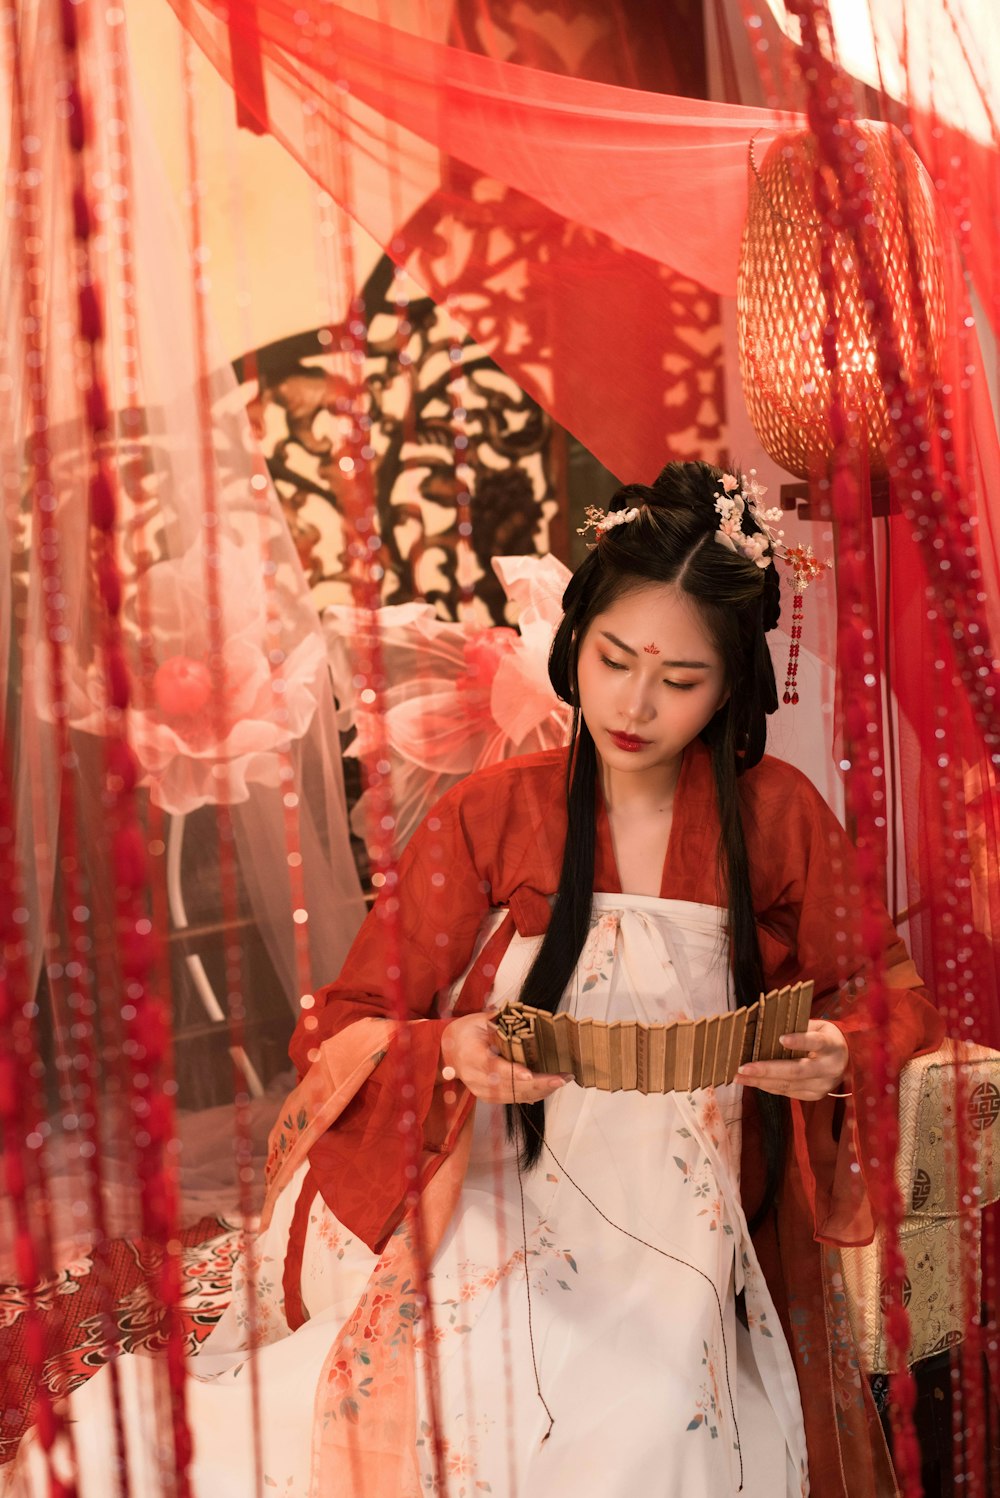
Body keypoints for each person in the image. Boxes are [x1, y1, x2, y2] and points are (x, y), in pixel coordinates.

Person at [12, 462, 942, 1498]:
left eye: (679, 681)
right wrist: (448, 1049)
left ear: (732, 688)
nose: (634, 703)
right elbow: (352, 1017)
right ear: (572, 639)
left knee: (650, 1428)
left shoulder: (777, 815)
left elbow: (884, 990)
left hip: (697, 1199)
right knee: (457, 1402)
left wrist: (837, 1052)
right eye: (612, 659)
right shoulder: (497, 810)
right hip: (510, 1174)